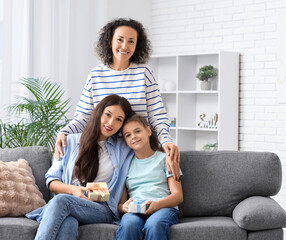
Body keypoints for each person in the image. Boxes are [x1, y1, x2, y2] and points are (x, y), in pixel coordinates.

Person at [54, 18, 180, 180]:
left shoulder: (144, 73)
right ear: (109, 41)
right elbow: (85, 116)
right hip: (108, 152)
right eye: (120, 40)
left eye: (131, 42)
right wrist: (64, 132)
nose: (124, 46)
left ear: (137, 45)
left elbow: (157, 115)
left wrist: (166, 141)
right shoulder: (96, 75)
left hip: (138, 148)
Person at [26, 95, 135, 240]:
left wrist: (167, 145)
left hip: (101, 208)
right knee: (68, 222)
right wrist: (74, 190)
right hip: (69, 202)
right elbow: (52, 181)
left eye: (118, 120)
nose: (111, 122)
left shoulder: (123, 147)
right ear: (99, 113)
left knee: (61, 201)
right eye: (107, 114)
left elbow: (146, 138)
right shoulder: (69, 141)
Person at [116, 114, 183, 240]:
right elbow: (121, 204)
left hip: (164, 208)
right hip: (135, 211)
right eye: (128, 135)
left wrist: (156, 205)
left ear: (148, 131)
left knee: (154, 224)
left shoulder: (165, 159)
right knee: (129, 225)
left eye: (137, 131)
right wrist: (123, 207)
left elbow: (178, 196)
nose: (133, 137)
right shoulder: (125, 165)